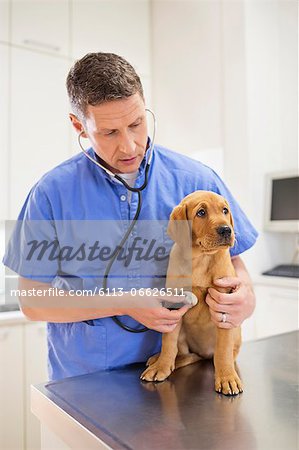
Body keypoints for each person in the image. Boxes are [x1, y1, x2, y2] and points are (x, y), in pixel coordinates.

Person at [3, 52, 258, 381]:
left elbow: (234, 263)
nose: (130, 146)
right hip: (87, 380)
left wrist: (245, 297)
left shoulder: (197, 181)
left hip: (183, 378)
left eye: (136, 124)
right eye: (109, 133)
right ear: (79, 125)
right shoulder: (52, 194)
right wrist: (123, 302)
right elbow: (32, 300)